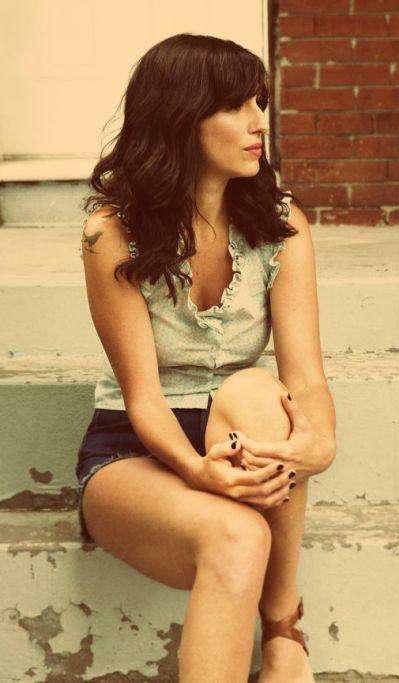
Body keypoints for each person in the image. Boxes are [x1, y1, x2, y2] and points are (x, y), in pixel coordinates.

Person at [75, 33, 337, 683]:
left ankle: (281, 631)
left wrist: (319, 441)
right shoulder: (112, 234)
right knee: (238, 536)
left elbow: (305, 375)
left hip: (241, 435)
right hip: (135, 454)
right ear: (180, 119)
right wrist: (197, 471)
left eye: (260, 102)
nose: (259, 122)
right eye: (234, 105)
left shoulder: (281, 226)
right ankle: (284, 628)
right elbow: (142, 399)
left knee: (258, 390)